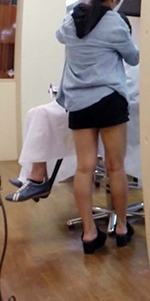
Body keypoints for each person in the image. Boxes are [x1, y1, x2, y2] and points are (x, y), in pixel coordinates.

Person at [55, 0, 139, 254]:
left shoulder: (73, 18)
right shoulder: (114, 22)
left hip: (78, 102)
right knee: (115, 167)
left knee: (84, 167)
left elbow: (60, 35)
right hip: (108, 100)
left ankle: (89, 234)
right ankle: (122, 228)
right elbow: (133, 57)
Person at [6, 64, 141, 203]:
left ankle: (37, 179)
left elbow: (128, 86)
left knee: (43, 115)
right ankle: (32, 176)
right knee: (36, 113)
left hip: (113, 108)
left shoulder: (126, 57)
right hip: (89, 101)